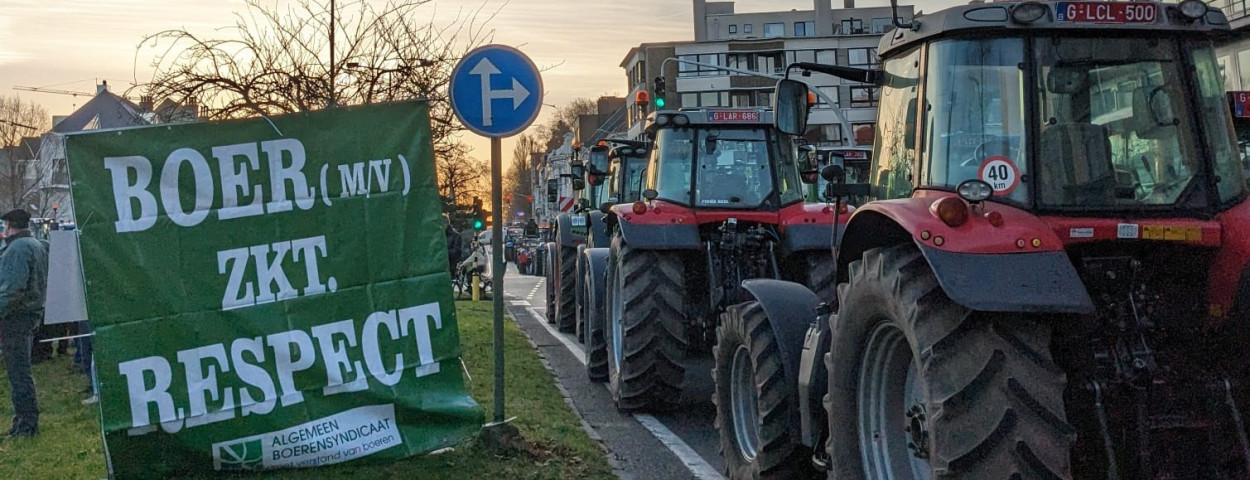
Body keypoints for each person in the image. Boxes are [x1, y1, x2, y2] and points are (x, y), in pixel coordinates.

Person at [0, 209, 49, 438]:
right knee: (21, 371)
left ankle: (26, 424)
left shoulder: (17, 249)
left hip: (16, 319)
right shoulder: (35, 244)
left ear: (10, 224)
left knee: (18, 373)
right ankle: (24, 420)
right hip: (30, 315)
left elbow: (12, 291)